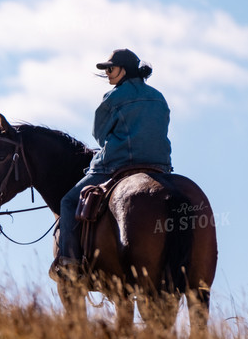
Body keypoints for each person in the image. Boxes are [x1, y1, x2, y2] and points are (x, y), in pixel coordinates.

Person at [52, 48, 172, 280]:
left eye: (110, 68)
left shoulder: (113, 97)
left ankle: (70, 263)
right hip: (160, 166)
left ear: (124, 70)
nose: (107, 73)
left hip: (117, 164)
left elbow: (99, 134)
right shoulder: (159, 97)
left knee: (67, 202)